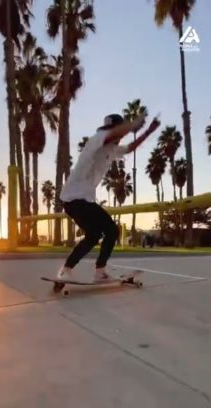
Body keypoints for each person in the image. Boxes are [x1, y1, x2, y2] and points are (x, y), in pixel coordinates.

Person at [55, 112, 161, 282]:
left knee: (94, 235)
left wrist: (148, 131)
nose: (119, 139)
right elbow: (115, 134)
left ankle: (69, 269)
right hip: (75, 197)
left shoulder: (111, 148)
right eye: (118, 133)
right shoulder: (99, 138)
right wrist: (134, 124)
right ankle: (98, 271)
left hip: (79, 200)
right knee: (111, 230)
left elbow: (130, 147)